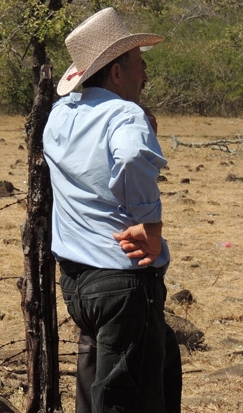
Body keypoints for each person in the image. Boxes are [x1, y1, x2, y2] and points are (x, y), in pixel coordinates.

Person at [43, 7, 182, 413]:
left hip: (75, 282)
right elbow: (132, 155)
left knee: (94, 395)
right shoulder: (124, 114)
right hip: (122, 280)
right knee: (130, 400)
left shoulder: (60, 114)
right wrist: (149, 225)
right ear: (117, 72)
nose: (145, 74)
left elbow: (96, 162)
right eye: (139, 64)